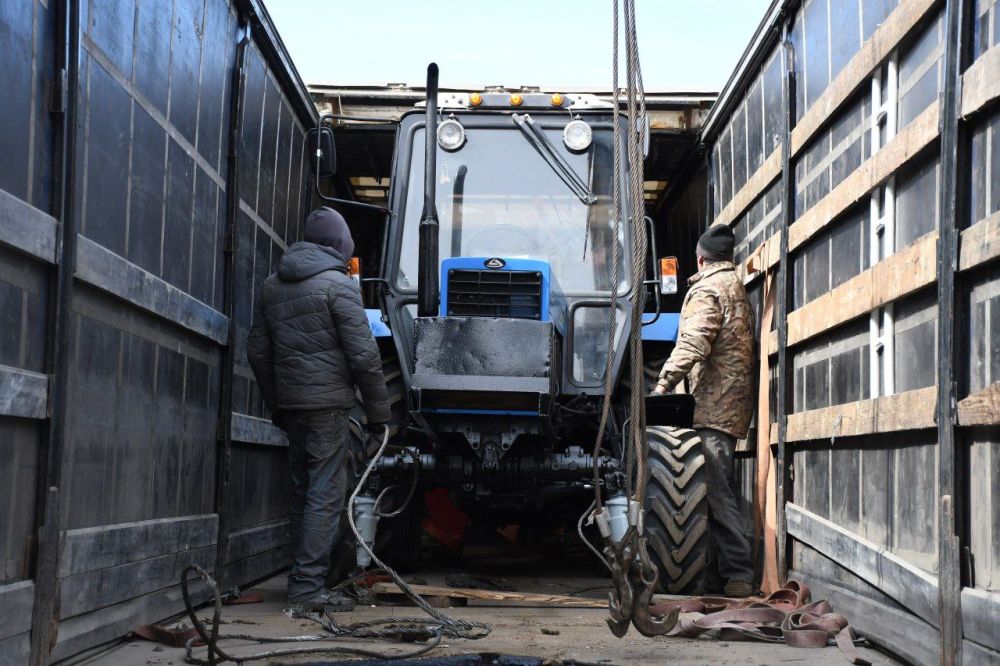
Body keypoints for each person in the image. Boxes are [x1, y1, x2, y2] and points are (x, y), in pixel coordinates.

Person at [247, 206, 390, 612]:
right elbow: (364, 356)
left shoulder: (272, 285)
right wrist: (380, 415)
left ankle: (306, 580)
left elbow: (257, 350)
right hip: (329, 407)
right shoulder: (339, 286)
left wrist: (277, 404)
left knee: (302, 492)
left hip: (294, 406)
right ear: (339, 245)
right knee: (325, 496)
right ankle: (308, 589)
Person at [651, 224, 755, 598]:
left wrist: (662, 384)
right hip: (728, 406)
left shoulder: (709, 290)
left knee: (714, 492)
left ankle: (739, 574)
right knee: (709, 493)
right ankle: (713, 577)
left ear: (700, 258)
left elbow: (695, 341)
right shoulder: (735, 287)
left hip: (713, 406)